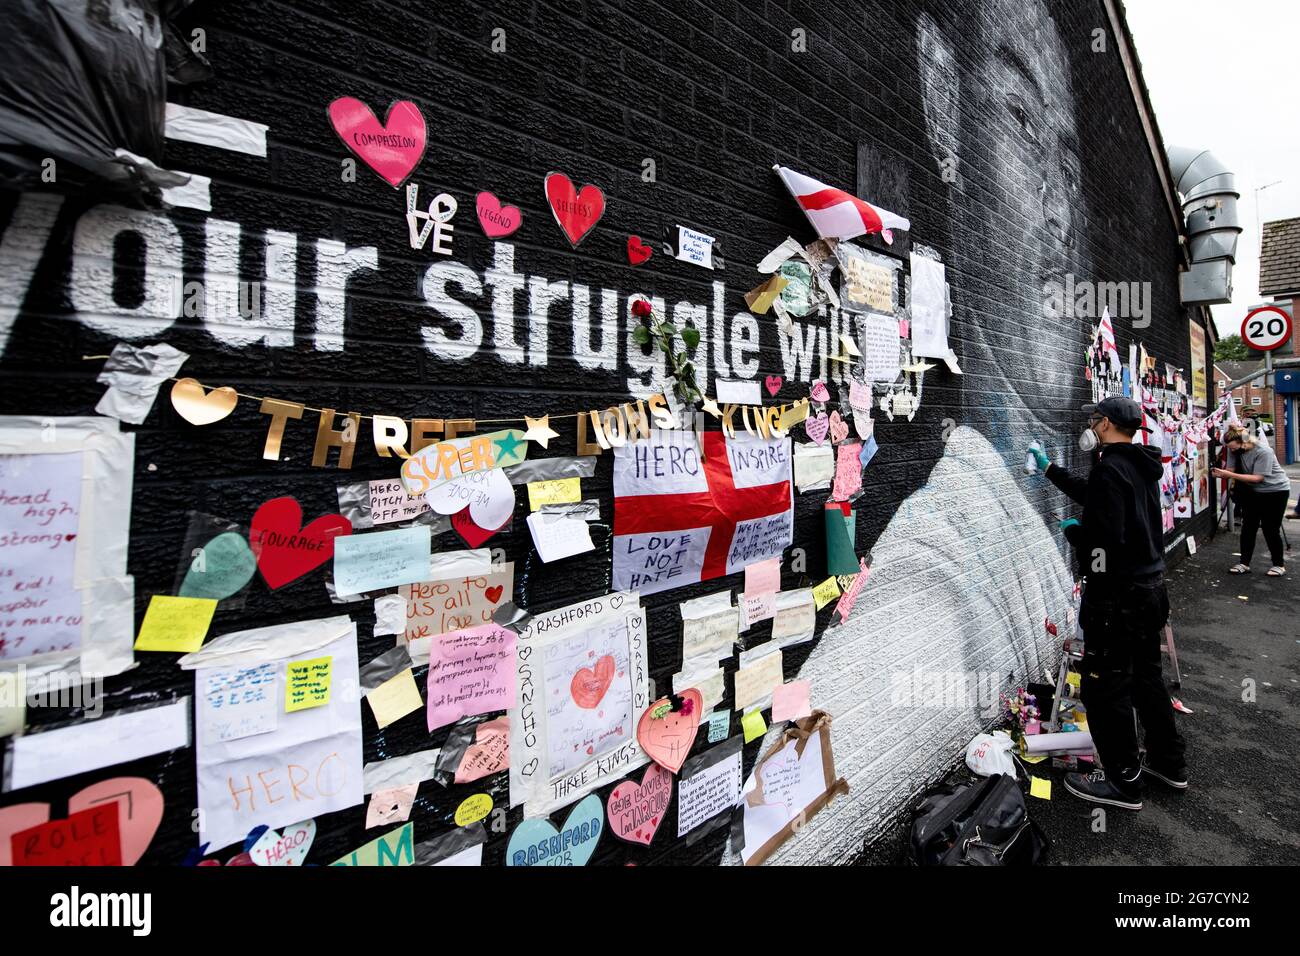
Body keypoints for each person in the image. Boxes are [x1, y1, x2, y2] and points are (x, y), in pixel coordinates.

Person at [1030, 396, 1187, 810]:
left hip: (1117, 600)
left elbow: (1104, 544)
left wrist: (1075, 534)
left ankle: (1123, 781)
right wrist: (1049, 469)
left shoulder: (1109, 468)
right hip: (1150, 591)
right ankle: (1169, 765)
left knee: (1105, 690)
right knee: (1146, 681)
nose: (1091, 424)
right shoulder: (1137, 464)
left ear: (1104, 425)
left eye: (1094, 418)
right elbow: (1095, 496)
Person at [1213, 425, 1290, 576]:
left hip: (1275, 491)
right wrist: (1219, 472)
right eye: (1231, 448)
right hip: (1253, 492)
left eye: (1235, 448)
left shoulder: (1263, 451)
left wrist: (1230, 475)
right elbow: (1231, 471)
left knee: (1270, 528)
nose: (1232, 451)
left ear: (1244, 442)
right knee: (1248, 528)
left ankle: (1278, 565)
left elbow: (1258, 478)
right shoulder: (1233, 448)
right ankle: (1244, 563)